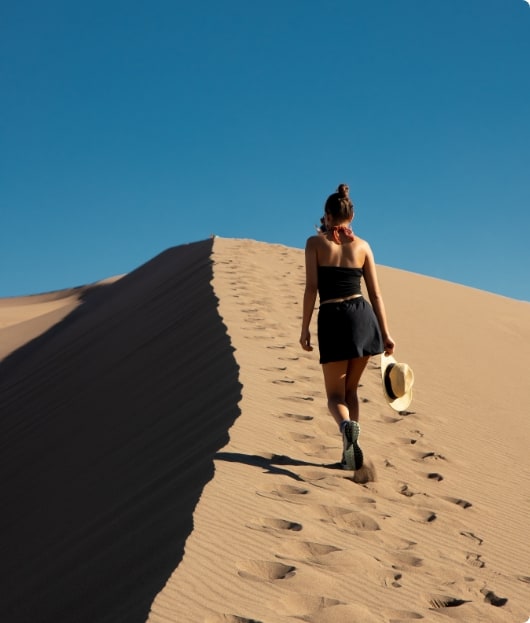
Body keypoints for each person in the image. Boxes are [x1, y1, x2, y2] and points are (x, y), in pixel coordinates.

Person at [300, 184, 395, 470]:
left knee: (334, 396)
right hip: (362, 317)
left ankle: (345, 429)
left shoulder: (314, 244)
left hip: (333, 316)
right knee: (351, 391)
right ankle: (348, 453)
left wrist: (304, 328)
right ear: (351, 217)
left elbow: (311, 288)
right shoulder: (363, 246)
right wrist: (387, 333)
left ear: (327, 216)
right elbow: (376, 294)